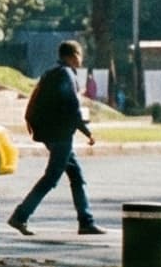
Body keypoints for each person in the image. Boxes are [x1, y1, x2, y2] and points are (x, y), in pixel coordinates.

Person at [11, 39, 105, 237]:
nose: (81, 59)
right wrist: (87, 132)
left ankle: (86, 221)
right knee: (51, 178)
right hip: (60, 134)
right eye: (80, 55)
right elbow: (72, 107)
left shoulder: (52, 72)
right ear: (72, 56)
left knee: (76, 177)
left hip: (52, 133)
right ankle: (20, 215)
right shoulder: (66, 74)